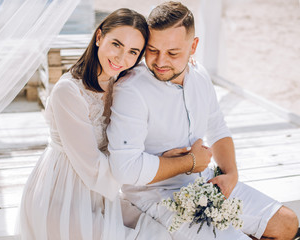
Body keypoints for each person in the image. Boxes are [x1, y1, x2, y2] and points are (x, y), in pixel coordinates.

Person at [107, 2, 299, 240]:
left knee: (288, 224)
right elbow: (125, 169)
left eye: (173, 53)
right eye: (153, 50)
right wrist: (190, 162)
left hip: (206, 181)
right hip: (157, 195)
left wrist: (231, 174)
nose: (160, 61)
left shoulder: (200, 75)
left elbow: (217, 128)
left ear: (193, 46)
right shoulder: (131, 89)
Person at [18, 8, 171, 240]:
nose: (121, 58)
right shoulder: (68, 91)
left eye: (133, 51)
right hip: (62, 193)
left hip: (102, 190)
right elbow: (94, 167)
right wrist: (161, 167)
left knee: (162, 227)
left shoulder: (123, 79)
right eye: (116, 44)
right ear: (99, 37)